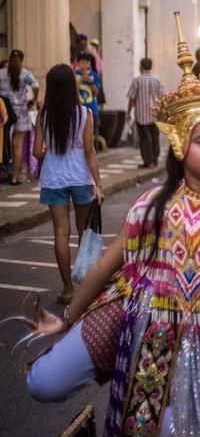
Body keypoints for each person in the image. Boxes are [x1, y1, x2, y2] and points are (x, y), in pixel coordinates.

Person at [23, 33, 200, 437]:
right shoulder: (151, 201)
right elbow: (109, 263)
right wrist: (67, 320)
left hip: (182, 338)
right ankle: (108, 367)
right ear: (182, 147)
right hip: (125, 309)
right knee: (43, 384)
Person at [33, 65, 103, 303]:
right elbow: (90, 151)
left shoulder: (44, 114)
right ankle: (86, 286)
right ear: (72, 86)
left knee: (61, 234)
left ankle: (67, 290)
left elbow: (35, 151)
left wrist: (49, 150)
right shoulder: (85, 113)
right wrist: (99, 184)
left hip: (53, 178)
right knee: (84, 232)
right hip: (81, 178)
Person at [0, 49, 39, 185]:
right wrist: (33, 99)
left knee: (3, 144)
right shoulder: (25, 74)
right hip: (21, 113)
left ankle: (2, 172)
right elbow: (36, 85)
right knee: (17, 146)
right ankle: (15, 177)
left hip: (4, 113)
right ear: (21, 60)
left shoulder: (2, 74)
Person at [126, 57, 165, 168]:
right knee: (154, 137)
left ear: (141, 66)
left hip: (141, 115)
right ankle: (155, 159)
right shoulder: (157, 79)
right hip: (155, 114)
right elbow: (162, 96)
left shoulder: (137, 80)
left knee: (145, 139)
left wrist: (128, 112)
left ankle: (147, 161)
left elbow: (132, 98)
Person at [74, 52, 101, 128]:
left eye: (87, 62)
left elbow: (96, 93)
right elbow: (72, 90)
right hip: (78, 107)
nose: (85, 64)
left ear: (89, 64)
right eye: (82, 62)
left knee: (94, 127)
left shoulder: (94, 75)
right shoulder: (75, 74)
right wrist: (80, 81)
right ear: (78, 63)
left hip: (92, 107)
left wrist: (91, 83)